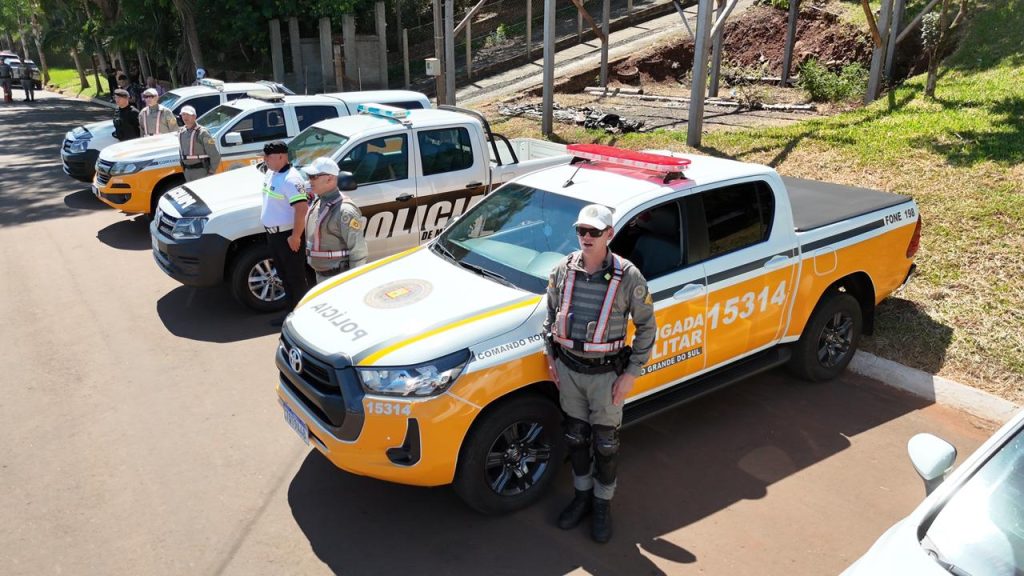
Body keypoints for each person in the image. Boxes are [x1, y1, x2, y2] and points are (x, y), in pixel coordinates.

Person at [543, 204, 657, 544]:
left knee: (605, 444)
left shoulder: (629, 276)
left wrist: (631, 374)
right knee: (575, 437)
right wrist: (551, 357)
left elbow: (647, 327)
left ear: (609, 234)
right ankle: (581, 498)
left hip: (607, 375)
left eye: (594, 232)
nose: (586, 237)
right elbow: (549, 314)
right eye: (582, 231)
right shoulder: (563, 269)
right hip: (569, 370)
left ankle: (602, 505)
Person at [260, 140, 310, 316]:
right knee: (284, 276)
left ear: (282, 156)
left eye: (269, 157)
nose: (265, 160)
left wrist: (296, 236)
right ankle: (290, 314)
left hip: (288, 236)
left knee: (295, 279)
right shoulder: (271, 173)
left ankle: (302, 316)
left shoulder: (291, 179)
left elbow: (301, 209)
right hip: (274, 236)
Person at [300, 157, 367, 283]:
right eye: (309, 176)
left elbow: (358, 252)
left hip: (339, 279)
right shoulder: (319, 202)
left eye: (314, 176)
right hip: (321, 276)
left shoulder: (345, 211)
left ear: (330, 178)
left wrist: (355, 282)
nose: (309, 181)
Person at [177, 105, 220, 182]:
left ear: (194, 117)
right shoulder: (181, 132)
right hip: (187, 172)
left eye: (188, 114)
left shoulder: (202, 133)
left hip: (201, 172)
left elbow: (215, 155)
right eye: (183, 114)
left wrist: (211, 172)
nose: (185, 117)